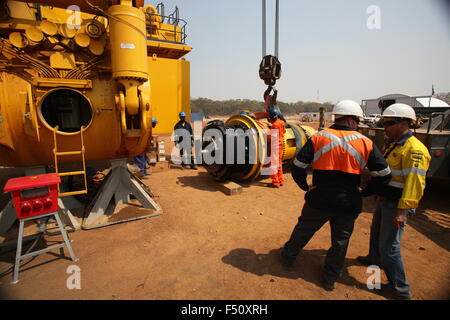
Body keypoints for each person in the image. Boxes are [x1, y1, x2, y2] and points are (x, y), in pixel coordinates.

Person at [281, 100, 391, 291]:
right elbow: (384, 174)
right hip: (348, 203)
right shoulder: (366, 142)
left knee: (303, 229)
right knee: (340, 241)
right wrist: (364, 192)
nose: (357, 124)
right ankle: (330, 278)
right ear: (350, 120)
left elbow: (298, 167)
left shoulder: (319, 137)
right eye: (357, 121)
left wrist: (306, 187)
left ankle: (288, 259)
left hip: (319, 199)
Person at [358, 103, 431, 300]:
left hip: (397, 204)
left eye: (389, 123)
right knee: (376, 234)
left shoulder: (415, 150)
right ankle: (373, 259)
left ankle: (400, 290)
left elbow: (415, 183)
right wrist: (378, 192)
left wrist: (402, 211)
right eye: (384, 122)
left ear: (405, 123)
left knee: (389, 247)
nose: (386, 127)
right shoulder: (394, 144)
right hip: (385, 199)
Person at [267, 109, 286, 188]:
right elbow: (284, 131)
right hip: (281, 145)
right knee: (279, 164)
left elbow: (272, 138)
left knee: (274, 164)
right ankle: (281, 181)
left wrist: (265, 136)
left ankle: (275, 182)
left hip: (275, 146)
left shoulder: (274, 125)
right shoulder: (281, 122)